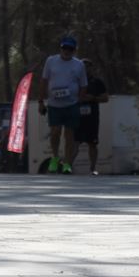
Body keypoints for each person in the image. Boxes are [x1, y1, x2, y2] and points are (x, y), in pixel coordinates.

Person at [39, 34, 88, 173]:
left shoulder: (79, 64)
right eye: (64, 48)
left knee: (69, 134)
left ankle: (67, 162)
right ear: (60, 48)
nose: (66, 51)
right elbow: (44, 81)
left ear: (74, 50)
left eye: (70, 49)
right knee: (55, 132)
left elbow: (84, 85)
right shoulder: (51, 61)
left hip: (71, 104)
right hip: (54, 104)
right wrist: (41, 101)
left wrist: (80, 99)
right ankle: (55, 158)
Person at [74, 71, 109, 174]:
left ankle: (93, 169)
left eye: (88, 66)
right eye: (83, 66)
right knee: (74, 143)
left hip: (92, 117)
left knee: (92, 143)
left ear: (91, 68)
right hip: (77, 116)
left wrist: (93, 98)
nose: (85, 68)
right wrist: (79, 98)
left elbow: (105, 98)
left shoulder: (97, 82)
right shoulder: (75, 81)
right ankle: (68, 167)